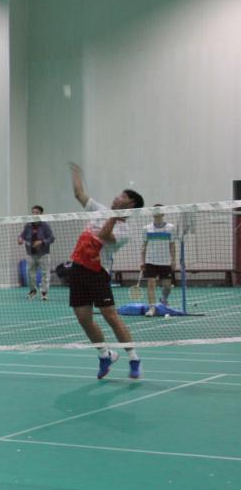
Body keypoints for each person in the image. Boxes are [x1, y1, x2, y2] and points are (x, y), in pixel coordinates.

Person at [69, 162, 145, 379]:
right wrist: (76, 173)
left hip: (97, 273)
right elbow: (79, 193)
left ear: (130, 204)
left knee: (110, 316)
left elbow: (104, 236)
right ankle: (105, 354)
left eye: (121, 196)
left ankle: (133, 358)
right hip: (78, 268)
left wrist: (114, 216)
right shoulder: (98, 209)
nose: (116, 197)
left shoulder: (125, 230)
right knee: (83, 318)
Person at [140, 204, 176, 317]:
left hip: (165, 261)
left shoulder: (170, 228)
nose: (156, 212)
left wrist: (173, 260)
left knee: (167, 286)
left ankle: (164, 299)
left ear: (163, 213)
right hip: (150, 260)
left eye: (159, 210)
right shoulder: (146, 228)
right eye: (154, 210)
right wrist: (142, 261)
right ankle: (152, 308)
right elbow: (144, 246)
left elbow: (172, 245)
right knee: (151, 284)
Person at [18, 205, 55, 300]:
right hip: (30, 254)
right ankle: (33, 292)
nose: (34, 214)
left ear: (41, 214)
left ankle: (44, 293)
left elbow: (52, 238)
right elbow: (22, 235)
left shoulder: (45, 226)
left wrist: (42, 242)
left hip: (43, 254)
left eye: (36, 212)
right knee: (30, 274)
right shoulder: (28, 225)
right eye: (33, 212)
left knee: (45, 274)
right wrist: (20, 239)